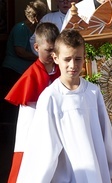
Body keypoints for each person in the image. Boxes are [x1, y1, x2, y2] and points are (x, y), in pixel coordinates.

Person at [16, 29, 112, 183]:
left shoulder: (93, 92)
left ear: (84, 58)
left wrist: (110, 172)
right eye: (67, 59)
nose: (73, 65)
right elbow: (42, 148)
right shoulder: (50, 97)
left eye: (78, 59)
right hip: (66, 176)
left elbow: (106, 136)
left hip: (95, 174)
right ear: (56, 58)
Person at [5, 22, 60, 183]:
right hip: (37, 136)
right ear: (36, 47)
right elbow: (28, 122)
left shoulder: (59, 71)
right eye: (49, 50)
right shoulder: (31, 77)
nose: (53, 55)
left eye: (56, 50)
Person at [0, 1, 47, 181]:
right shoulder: (21, 28)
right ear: (33, 16)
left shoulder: (34, 29)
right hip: (13, 71)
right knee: (13, 110)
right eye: (39, 16)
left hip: (23, 71)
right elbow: (19, 51)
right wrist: (39, 56)